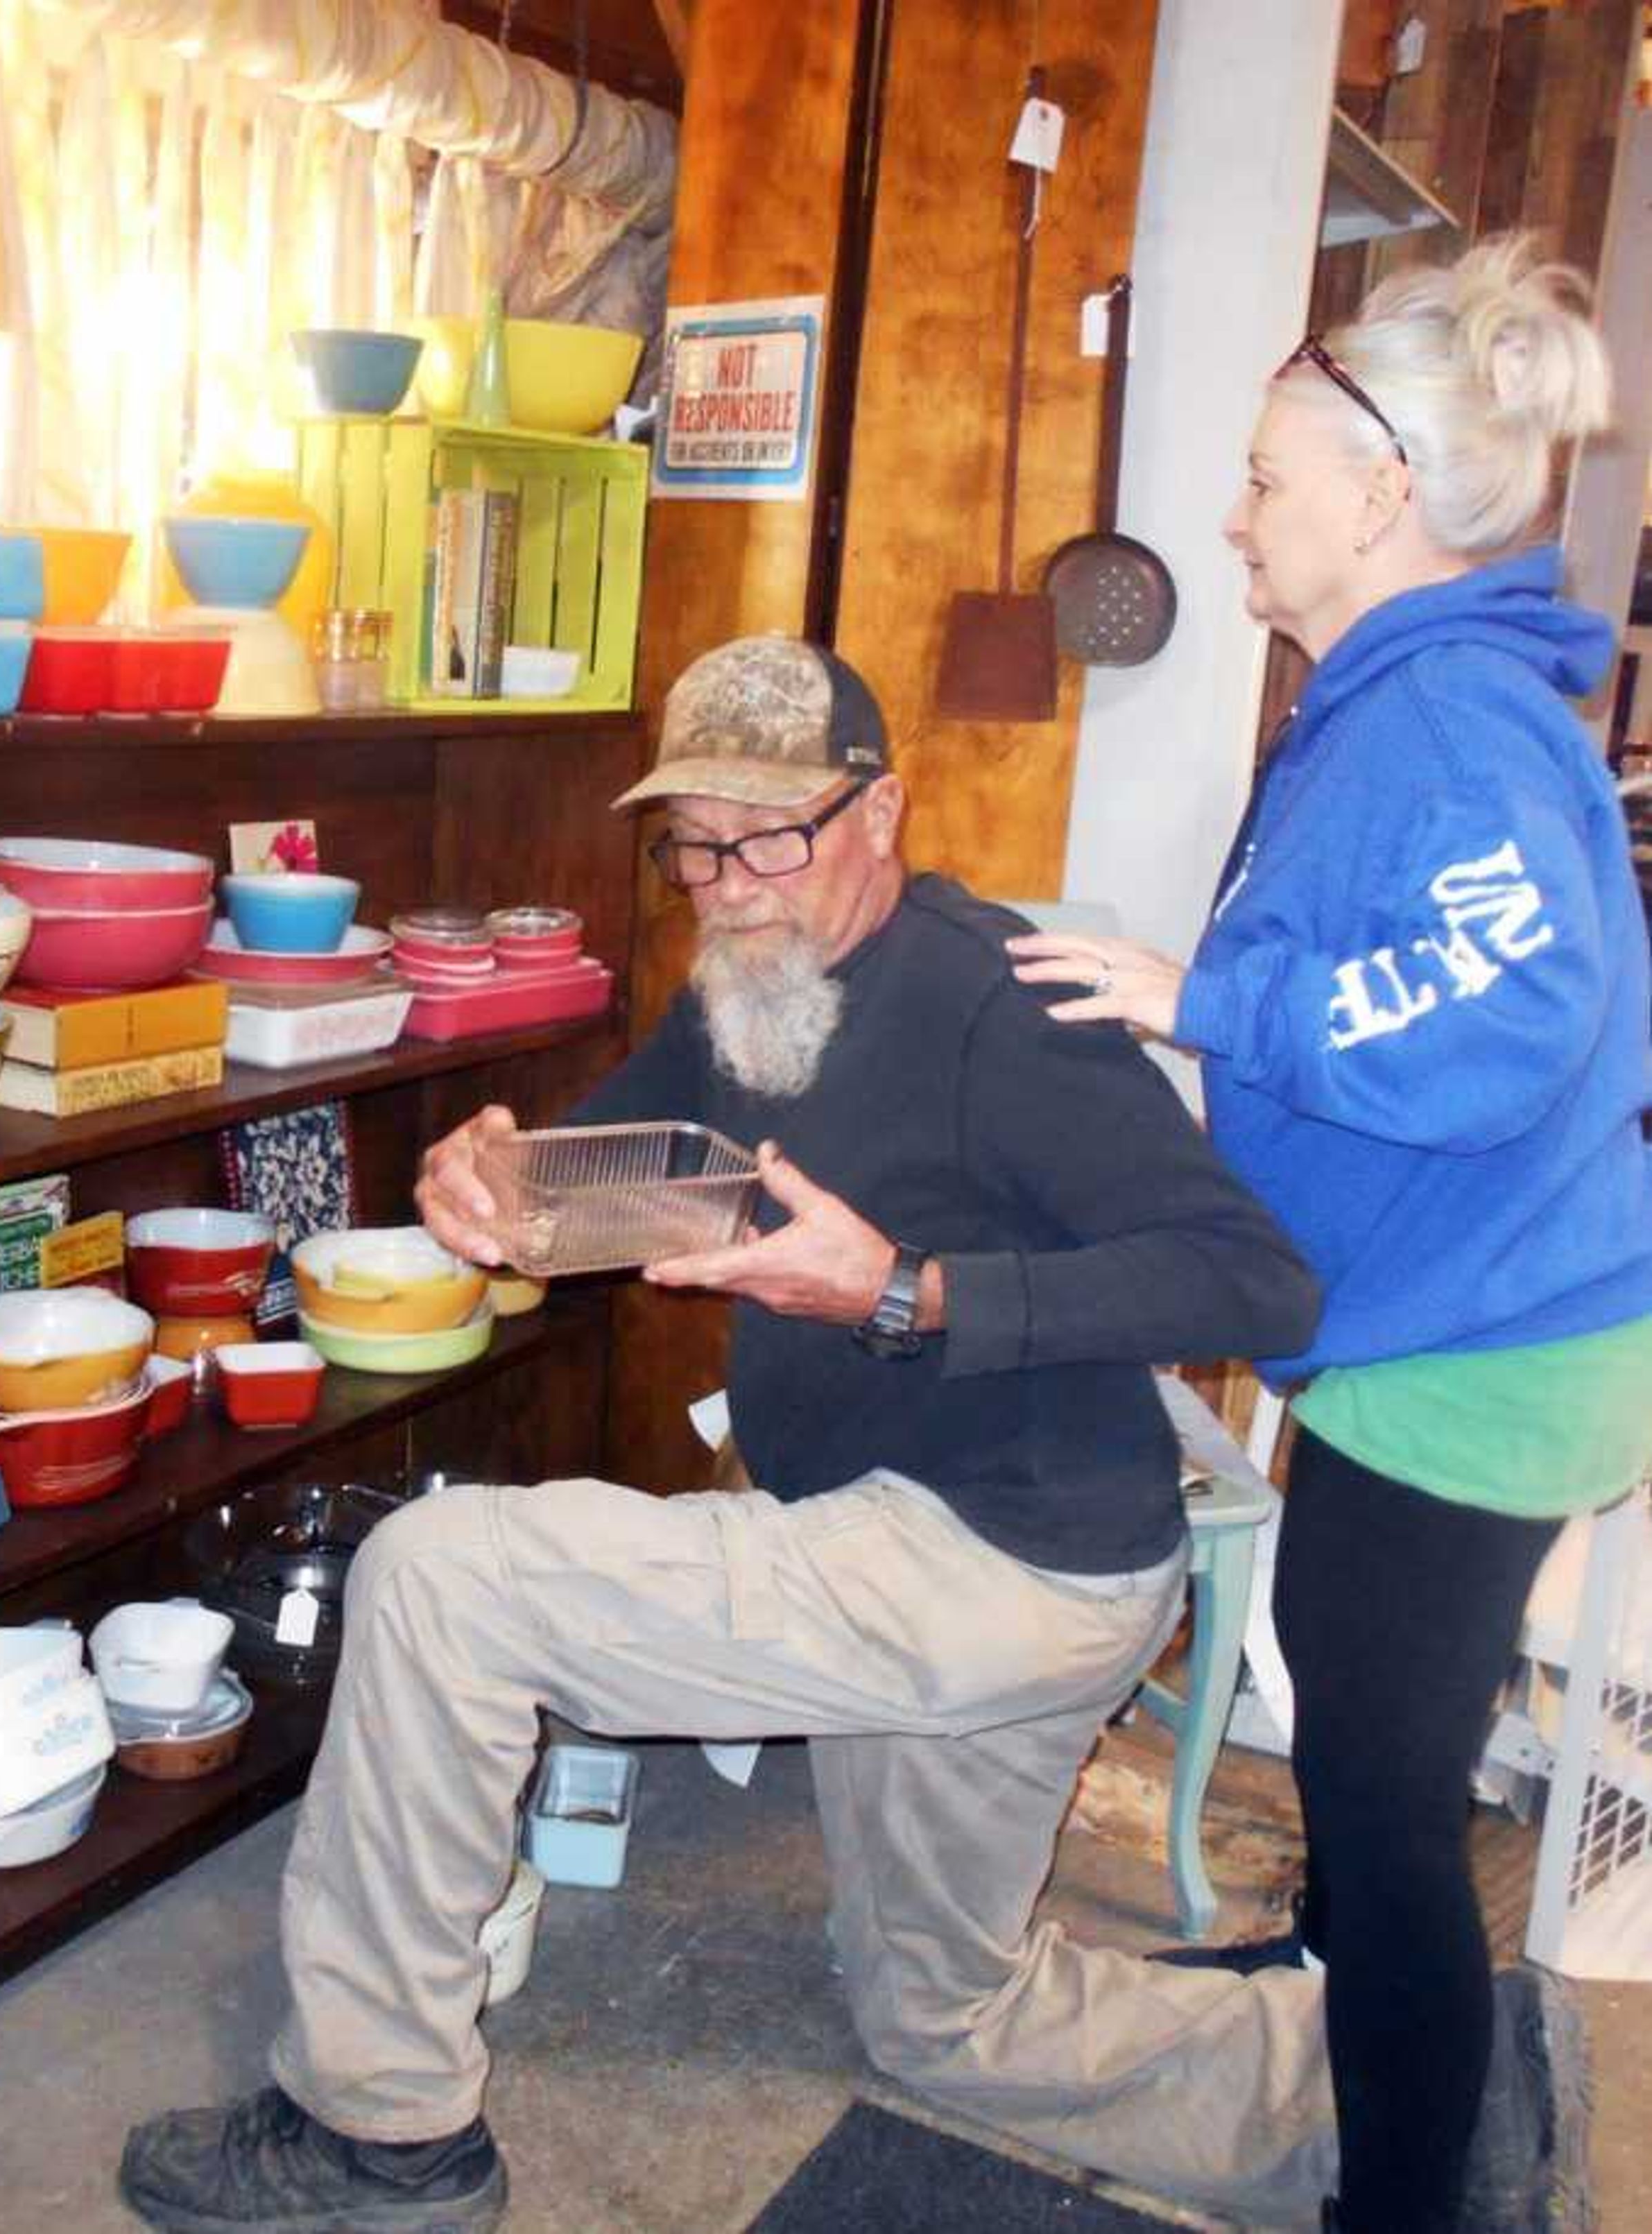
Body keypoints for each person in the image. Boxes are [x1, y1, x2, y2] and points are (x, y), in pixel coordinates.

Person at [119, 633, 1345, 2234]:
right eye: (697, 843)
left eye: (772, 836)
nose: (732, 882)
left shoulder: (1005, 1012)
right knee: (943, 2022)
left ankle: (383, 2137)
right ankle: (1383, 2085)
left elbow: (1262, 1288)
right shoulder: (752, 993)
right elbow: (623, 1163)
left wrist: (901, 1291)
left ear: (883, 810)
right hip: (911, 1532)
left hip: (1005, 1553)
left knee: (442, 1575)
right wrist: (501, 1187)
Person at [1010, 234, 1646, 2234]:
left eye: (1267, 477)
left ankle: (1399, 2190)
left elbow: (1513, 1009)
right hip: (1462, 1318)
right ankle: (1327, 1982)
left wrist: (1212, 999)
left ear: (1379, 498)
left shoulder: (1447, 715)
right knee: (1370, 1757)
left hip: (1481, 1348)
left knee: (1383, 1810)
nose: (1234, 515)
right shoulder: (1414, 693)